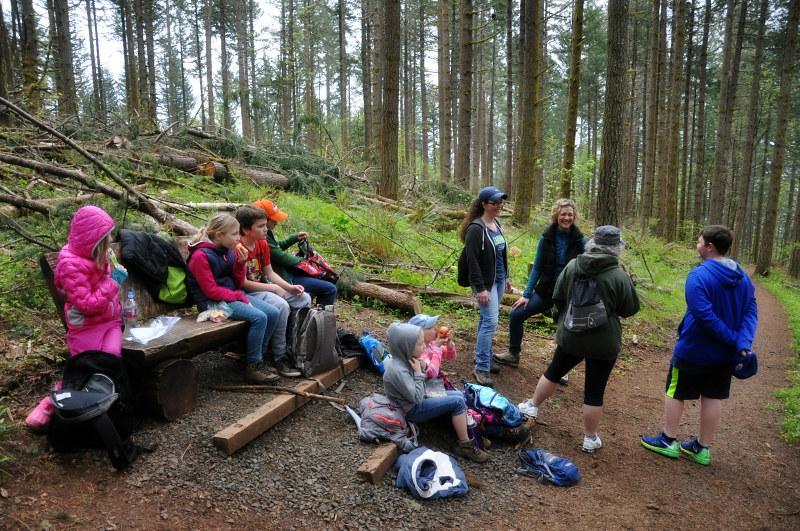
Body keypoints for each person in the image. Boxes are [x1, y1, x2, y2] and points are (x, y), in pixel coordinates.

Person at [641, 225, 758, 466]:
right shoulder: (743, 277)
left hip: (693, 349)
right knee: (713, 395)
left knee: (676, 390)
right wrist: (741, 343)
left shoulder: (699, 275)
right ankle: (702, 448)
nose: (697, 245)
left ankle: (668, 440)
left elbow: (703, 315)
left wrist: (734, 340)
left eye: (699, 241)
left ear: (709, 246)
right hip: (726, 355)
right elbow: (750, 311)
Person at [517, 226, 640, 453]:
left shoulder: (574, 265)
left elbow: (558, 296)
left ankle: (532, 407)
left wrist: (563, 322)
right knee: (594, 391)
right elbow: (630, 309)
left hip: (571, 334)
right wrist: (629, 283)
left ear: (593, 242)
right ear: (617, 247)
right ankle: (590, 438)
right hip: (604, 342)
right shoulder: (619, 274)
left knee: (553, 371)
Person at [27, 206, 130, 430]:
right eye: (106, 238)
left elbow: (102, 290)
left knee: (110, 361)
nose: (110, 242)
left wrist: (113, 278)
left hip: (109, 322)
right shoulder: (70, 265)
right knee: (86, 369)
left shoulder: (98, 254)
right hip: (86, 326)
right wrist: (114, 282)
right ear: (92, 240)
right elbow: (86, 305)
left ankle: (101, 408)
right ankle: (54, 401)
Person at [494, 199, 586, 386]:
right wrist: (526, 294)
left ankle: (561, 368)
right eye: (563, 214)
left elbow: (587, 269)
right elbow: (537, 268)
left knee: (565, 329)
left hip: (569, 294)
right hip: (546, 290)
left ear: (574, 216)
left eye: (570, 214)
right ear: (556, 215)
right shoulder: (547, 237)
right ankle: (513, 354)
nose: (566, 218)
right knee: (516, 314)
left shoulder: (580, 240)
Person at [185, 213, 281, 384]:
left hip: (230, 298)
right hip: (211, 307)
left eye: (238, 233)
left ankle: (259, 356)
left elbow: (237, 285)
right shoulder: (200, 256)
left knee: (273, 312)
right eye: (235, 234)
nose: (238, 238)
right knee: (259, 317)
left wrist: (239, 265)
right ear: (219, 235)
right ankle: (253, 365)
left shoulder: (228, 251)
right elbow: (211, 292)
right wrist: (238, 296)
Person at [382, 322, 489, 463]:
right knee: (457, 402)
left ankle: (470, 434)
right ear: (407, 346)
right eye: (420, 344)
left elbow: (426, 377)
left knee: (458, 396)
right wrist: (419, 373)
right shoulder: (398, 370)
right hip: (411, 409)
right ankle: (465, 445)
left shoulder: (406, 358)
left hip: (416, 398)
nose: (425, 346)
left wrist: (424, 366)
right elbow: (417, 397)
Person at [235, 205, 312, 377]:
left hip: (263, 286)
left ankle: (293, 348)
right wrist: (273, 288)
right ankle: (278, 356)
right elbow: (243, 283)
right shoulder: (238, 248)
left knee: (303, 299)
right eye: (261, 226)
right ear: (246, 230)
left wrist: (288, 287)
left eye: (265, 224)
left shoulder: (262, 244)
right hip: (246, 292)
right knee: (281, 305)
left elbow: (269, 272)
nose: (266, 228)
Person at [459, 186, 512, 386]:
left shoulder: (495, 224)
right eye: (494, 203)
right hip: (484, 282)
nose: (499, 206)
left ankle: (484, 356)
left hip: (497, 280)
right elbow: (473, 261)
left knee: (486, 319)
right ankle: (481, 367)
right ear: (484, 204)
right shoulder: (475, 228)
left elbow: (500, 253)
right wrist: (480, 288)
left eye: (501, 202)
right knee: (490, 321)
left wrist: (506, 277)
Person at [254, 199, 338, 307]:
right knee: (329, 289)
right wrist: (304, 260)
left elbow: (276, 247)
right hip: (284, 277)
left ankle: (319, 319)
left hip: (286, 273)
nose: (276, 223)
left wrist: (294, 238)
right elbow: (282, 257)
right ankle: (320, 321)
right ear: (263, 220)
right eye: (273, 220)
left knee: (326, 285)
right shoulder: (261, 238)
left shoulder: (266, 233)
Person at [408, 314, 457, 379]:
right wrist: (437, 348)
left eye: (435, 325)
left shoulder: (431, 344)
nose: (436, 328)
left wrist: (449, 344)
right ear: (420, 333)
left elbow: (451, 357)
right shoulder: (418, 352)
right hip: (423, 385)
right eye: (431, 327)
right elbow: (432, 373)